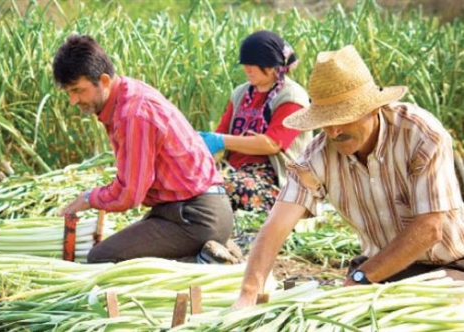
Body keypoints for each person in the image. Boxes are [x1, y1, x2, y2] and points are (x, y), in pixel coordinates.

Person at [233, 44, 464, 308]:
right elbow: (276, 225)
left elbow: (429, 228)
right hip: (380, 270)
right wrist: (249, 292)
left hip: (447, 268)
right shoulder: (318, 156)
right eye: (327, 120)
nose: (333, 132)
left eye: (344, 118)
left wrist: (362, 277)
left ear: (374, 108)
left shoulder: (420, 136)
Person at [52, 34, 242, 264]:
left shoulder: (133, 114)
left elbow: (129, 195)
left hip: (196, 217)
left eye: (78, 90)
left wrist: (89, 198)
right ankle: (204, 251)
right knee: (122, 248)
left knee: (103, 258)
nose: (73, 100)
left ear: (103, 80)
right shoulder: (126, 95)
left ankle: (203, 261)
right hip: (184, 212)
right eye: (69, 92)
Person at [199, 30, 312, 214]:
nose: (247, 69)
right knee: (198, 184)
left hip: (274, 179)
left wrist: (221, 140)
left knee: (226, 189)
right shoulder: (240, 94)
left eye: (254, 64)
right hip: (234, 169)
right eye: (245, 64)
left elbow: (272, 144)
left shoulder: (291, 97)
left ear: (274, 65)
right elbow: (223, 130)